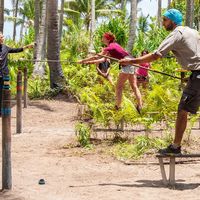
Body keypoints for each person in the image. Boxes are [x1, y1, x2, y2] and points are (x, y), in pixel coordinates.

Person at [119, 8, 200, 155]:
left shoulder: (177, 33)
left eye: (165, 19)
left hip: (198, 76)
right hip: (196, 75)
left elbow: (157, 55)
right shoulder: (192, 32)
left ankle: (175, 147)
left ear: (173, 21)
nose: (163, 23)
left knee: (183, 110)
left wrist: (132, 61)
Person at [79, 32, 143, 113]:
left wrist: (83, 60)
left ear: (108, 39)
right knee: (134, 86)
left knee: (119, 87)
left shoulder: (111, 46)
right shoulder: (113, 46)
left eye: (103, 37)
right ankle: (140, 106)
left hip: (126, 64)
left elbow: (97, 56)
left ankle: (117, 107)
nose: (102, 39)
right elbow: (103, 59)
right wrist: (89, 62)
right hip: (131, 62)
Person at [0, 32, 34, 116]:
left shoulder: (5, 47)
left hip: (5, 75)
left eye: (3, 36)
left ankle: (2, 112)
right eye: (1, 37)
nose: (3, 38)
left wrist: (27, 47)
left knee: (5, 92)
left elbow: (16, 50)